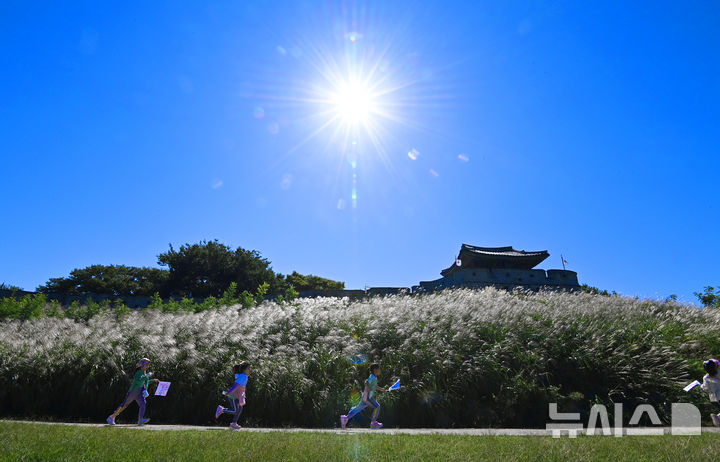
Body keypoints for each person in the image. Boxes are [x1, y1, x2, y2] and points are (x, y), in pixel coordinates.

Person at [106, 358, 160, 426]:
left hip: (139, 392)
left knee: (143, 404)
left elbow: (144, 382)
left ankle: (140, 420)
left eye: (148, 365)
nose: (148, 366)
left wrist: (153, 380)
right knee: (124, 405)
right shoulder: (138, 372)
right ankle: (111, 417)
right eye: (146, 365)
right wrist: (147, 376)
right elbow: (139, 380)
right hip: (133, 392)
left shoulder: (144, 373)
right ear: (142, 365)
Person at [340, 363, 386, 429]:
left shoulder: (374, 377)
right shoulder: (372, 377)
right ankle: (373, 423)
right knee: (377, 406)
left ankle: (345, 418)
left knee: (358, 408)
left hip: (366, 396)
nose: (380, 370)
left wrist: (381, 389)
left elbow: (374, 386)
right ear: (375, 370)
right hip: (367, 396)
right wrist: (367, 387)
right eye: (379, 369)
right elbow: (366, 381)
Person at [215, 361, 251, 430]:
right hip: (233, 396)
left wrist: (243, 395)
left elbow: (242, 387)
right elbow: (236, 386)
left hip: (238, 395)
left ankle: (234, 423)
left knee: (240, 409)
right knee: (235, 411)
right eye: (248, 369)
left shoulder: (244, 376)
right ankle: (222, 409)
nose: (250, 370)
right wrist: (228, 392)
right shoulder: (243, 377)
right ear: (244, 370)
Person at [701, 358, 720, 427]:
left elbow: (705, 388)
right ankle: (718, 417)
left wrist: (701, 386)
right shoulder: (719, 374)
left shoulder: (706, 377)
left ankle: (717, 417)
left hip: (713, 398)